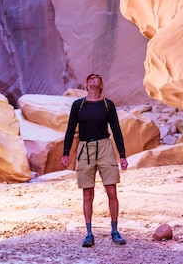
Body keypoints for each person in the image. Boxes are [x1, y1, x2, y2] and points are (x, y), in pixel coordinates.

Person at [61, 73, 129, 248]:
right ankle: (89, 233)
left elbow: (116, 129)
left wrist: (122, 155)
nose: (93, 79)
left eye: (96, 78)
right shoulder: (78, 105)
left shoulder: (107, 104)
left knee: (112, 191)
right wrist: (66, 153)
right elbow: (70, 129)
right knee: (87, 194)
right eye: (90, 78)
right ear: (86, 84)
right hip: (85, 149)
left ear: (101, 85)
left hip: (105, 147)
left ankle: (115, 231)